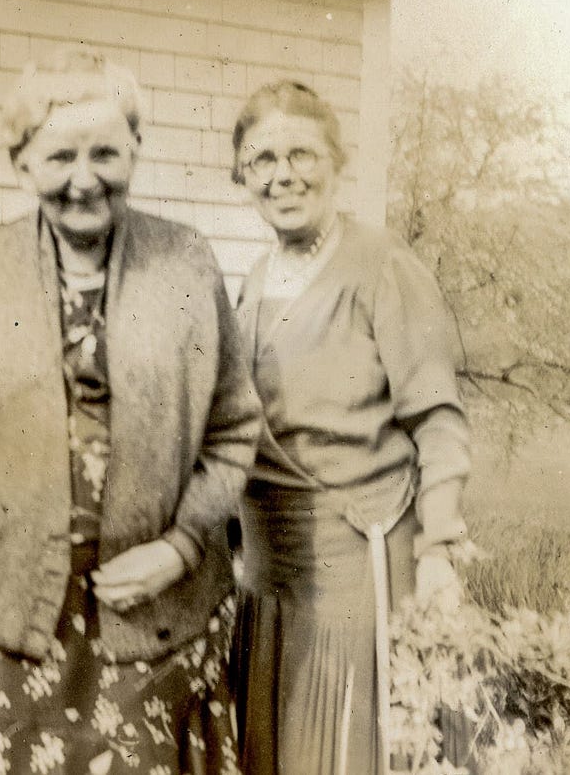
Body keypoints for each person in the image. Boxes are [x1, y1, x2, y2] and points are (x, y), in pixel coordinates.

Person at [0, 48, 261, 774]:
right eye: (60, 157)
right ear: (21, 166)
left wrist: (179, 547)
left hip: (157, 621)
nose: (85, 179)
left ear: (136, 152)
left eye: (107, 152)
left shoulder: (186, 263)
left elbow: (235, 429)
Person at [227, 80, 472, 774]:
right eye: (262, 160)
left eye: (301, 154)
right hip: (268, 576)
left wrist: (437, 551)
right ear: (242, 176)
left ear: (337, 161)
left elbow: (438, 419)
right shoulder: (253, 277)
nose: (283, 176)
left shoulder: (382, 266)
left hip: (355, 569)